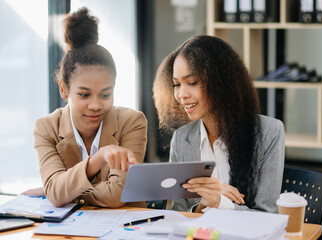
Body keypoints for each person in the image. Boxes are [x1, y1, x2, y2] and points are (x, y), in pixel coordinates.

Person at [28, 8, 147, 208]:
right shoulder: (46, 128)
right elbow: (56, 192)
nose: (96, 105)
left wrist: (61, 191)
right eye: (84, 95)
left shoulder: (132, 122)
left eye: (105, 94)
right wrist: (99, 157)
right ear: (64, 90)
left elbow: (116, 196)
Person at [153, 35, 284, 213]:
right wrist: (203, 205)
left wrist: (219, 202)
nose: (181, 94)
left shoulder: (270, 132)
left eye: (192, 82)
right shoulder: (182, 139)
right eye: (176, 84)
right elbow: (180, 213)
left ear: (221, 82)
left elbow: (266, 215)